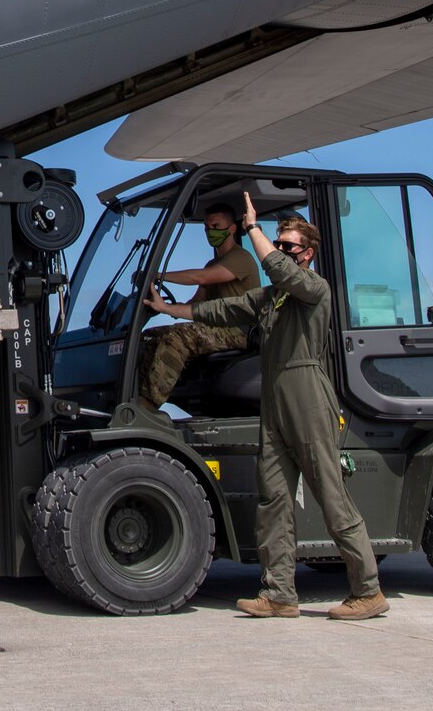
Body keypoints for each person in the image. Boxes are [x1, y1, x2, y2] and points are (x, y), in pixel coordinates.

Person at [145, 193, 388, 621]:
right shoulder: (271, 298)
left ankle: (368, 590)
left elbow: (274, 266)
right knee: (273, 497)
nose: (280, 251)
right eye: (279, 243)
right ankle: (279, 593)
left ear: (307, 254)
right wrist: (167, 307)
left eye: (288, 245)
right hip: (274, 399)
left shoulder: (314, 289)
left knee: (331, 496)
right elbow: (222, 310)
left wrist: (255, 229)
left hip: (307, 395)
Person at [136, 207, 257, 410]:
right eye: (207, 227)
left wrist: (157, 275)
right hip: (216, 329)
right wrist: (162, 306)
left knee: (177, 338)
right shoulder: (212, 262)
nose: (211, 232)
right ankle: (134, 395)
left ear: (232, 229)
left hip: (239, 331)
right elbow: (196, 302)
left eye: (216, 226)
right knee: (149, 337)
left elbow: (201, 277)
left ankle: (148, 404)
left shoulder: (240, 258)